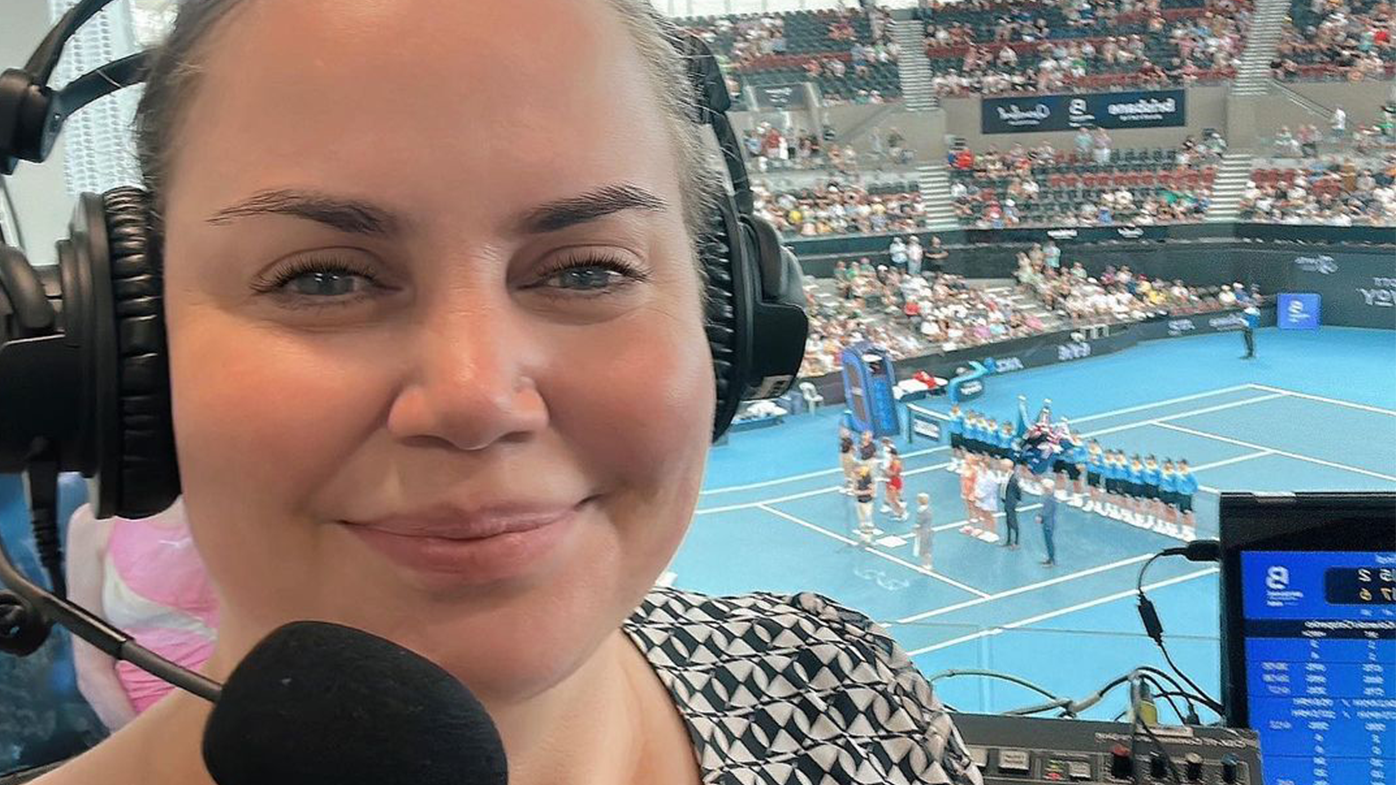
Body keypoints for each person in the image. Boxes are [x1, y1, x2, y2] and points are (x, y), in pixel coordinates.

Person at [25, 1, 981, 783]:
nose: (477, 399)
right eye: (322, 278)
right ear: (118, 357)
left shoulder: (850, 692)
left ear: (729, 322)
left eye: (587, 271)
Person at [64, 500, 218, 732]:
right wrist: (147, 750)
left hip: (250, 716)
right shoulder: (92, 524)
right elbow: (92, 669)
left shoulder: (237, 502)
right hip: (150, 727)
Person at [1000, 459, 1021, 549]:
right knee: (1008, 521)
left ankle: (1016, 541)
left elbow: (1017, 490)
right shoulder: (1006, 476)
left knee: (1013, 521)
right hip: (1006, 501)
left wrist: (1017, 500)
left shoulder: (1013, 478)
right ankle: (1009, 540)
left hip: (1010, 502)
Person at [854, 465, 877, 544]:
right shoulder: (857, 479)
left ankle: (869, 538)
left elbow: (872, 491)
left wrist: (860, 493)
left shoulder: (868, 480)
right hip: (859, 501)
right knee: (862, 520)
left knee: (867, 521)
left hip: (867, 502)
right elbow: (854, 489)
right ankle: (863, 537)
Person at [1037, 479, 1058, 567]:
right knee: (1048, 542)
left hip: (1048, 524)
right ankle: (1050, 559)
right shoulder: (1050, 498)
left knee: (1049, 542)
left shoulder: (1050, 499)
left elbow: (1046, 511)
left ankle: (1052, 560)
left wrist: (1040, 516)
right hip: (1048, 523)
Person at [914, 493, 934, 569]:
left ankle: (926, 564)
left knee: (924, 549)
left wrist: (916, 529)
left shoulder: (921, 510)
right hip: (928, 530)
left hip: (923, 532)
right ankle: (927, 563)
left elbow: (919, 522)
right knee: (927, 548)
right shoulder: (929, 509)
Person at [838, 426, 857, 494]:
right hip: (844, 456)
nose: (841, 433)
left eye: (843, 432)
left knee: (849, 472)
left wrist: (852, 456)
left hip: (848, 456)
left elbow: (854, 448)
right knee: (846, 471)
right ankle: (849, 486)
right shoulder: (844, 440)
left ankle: (852, 488)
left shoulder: (849, 441)